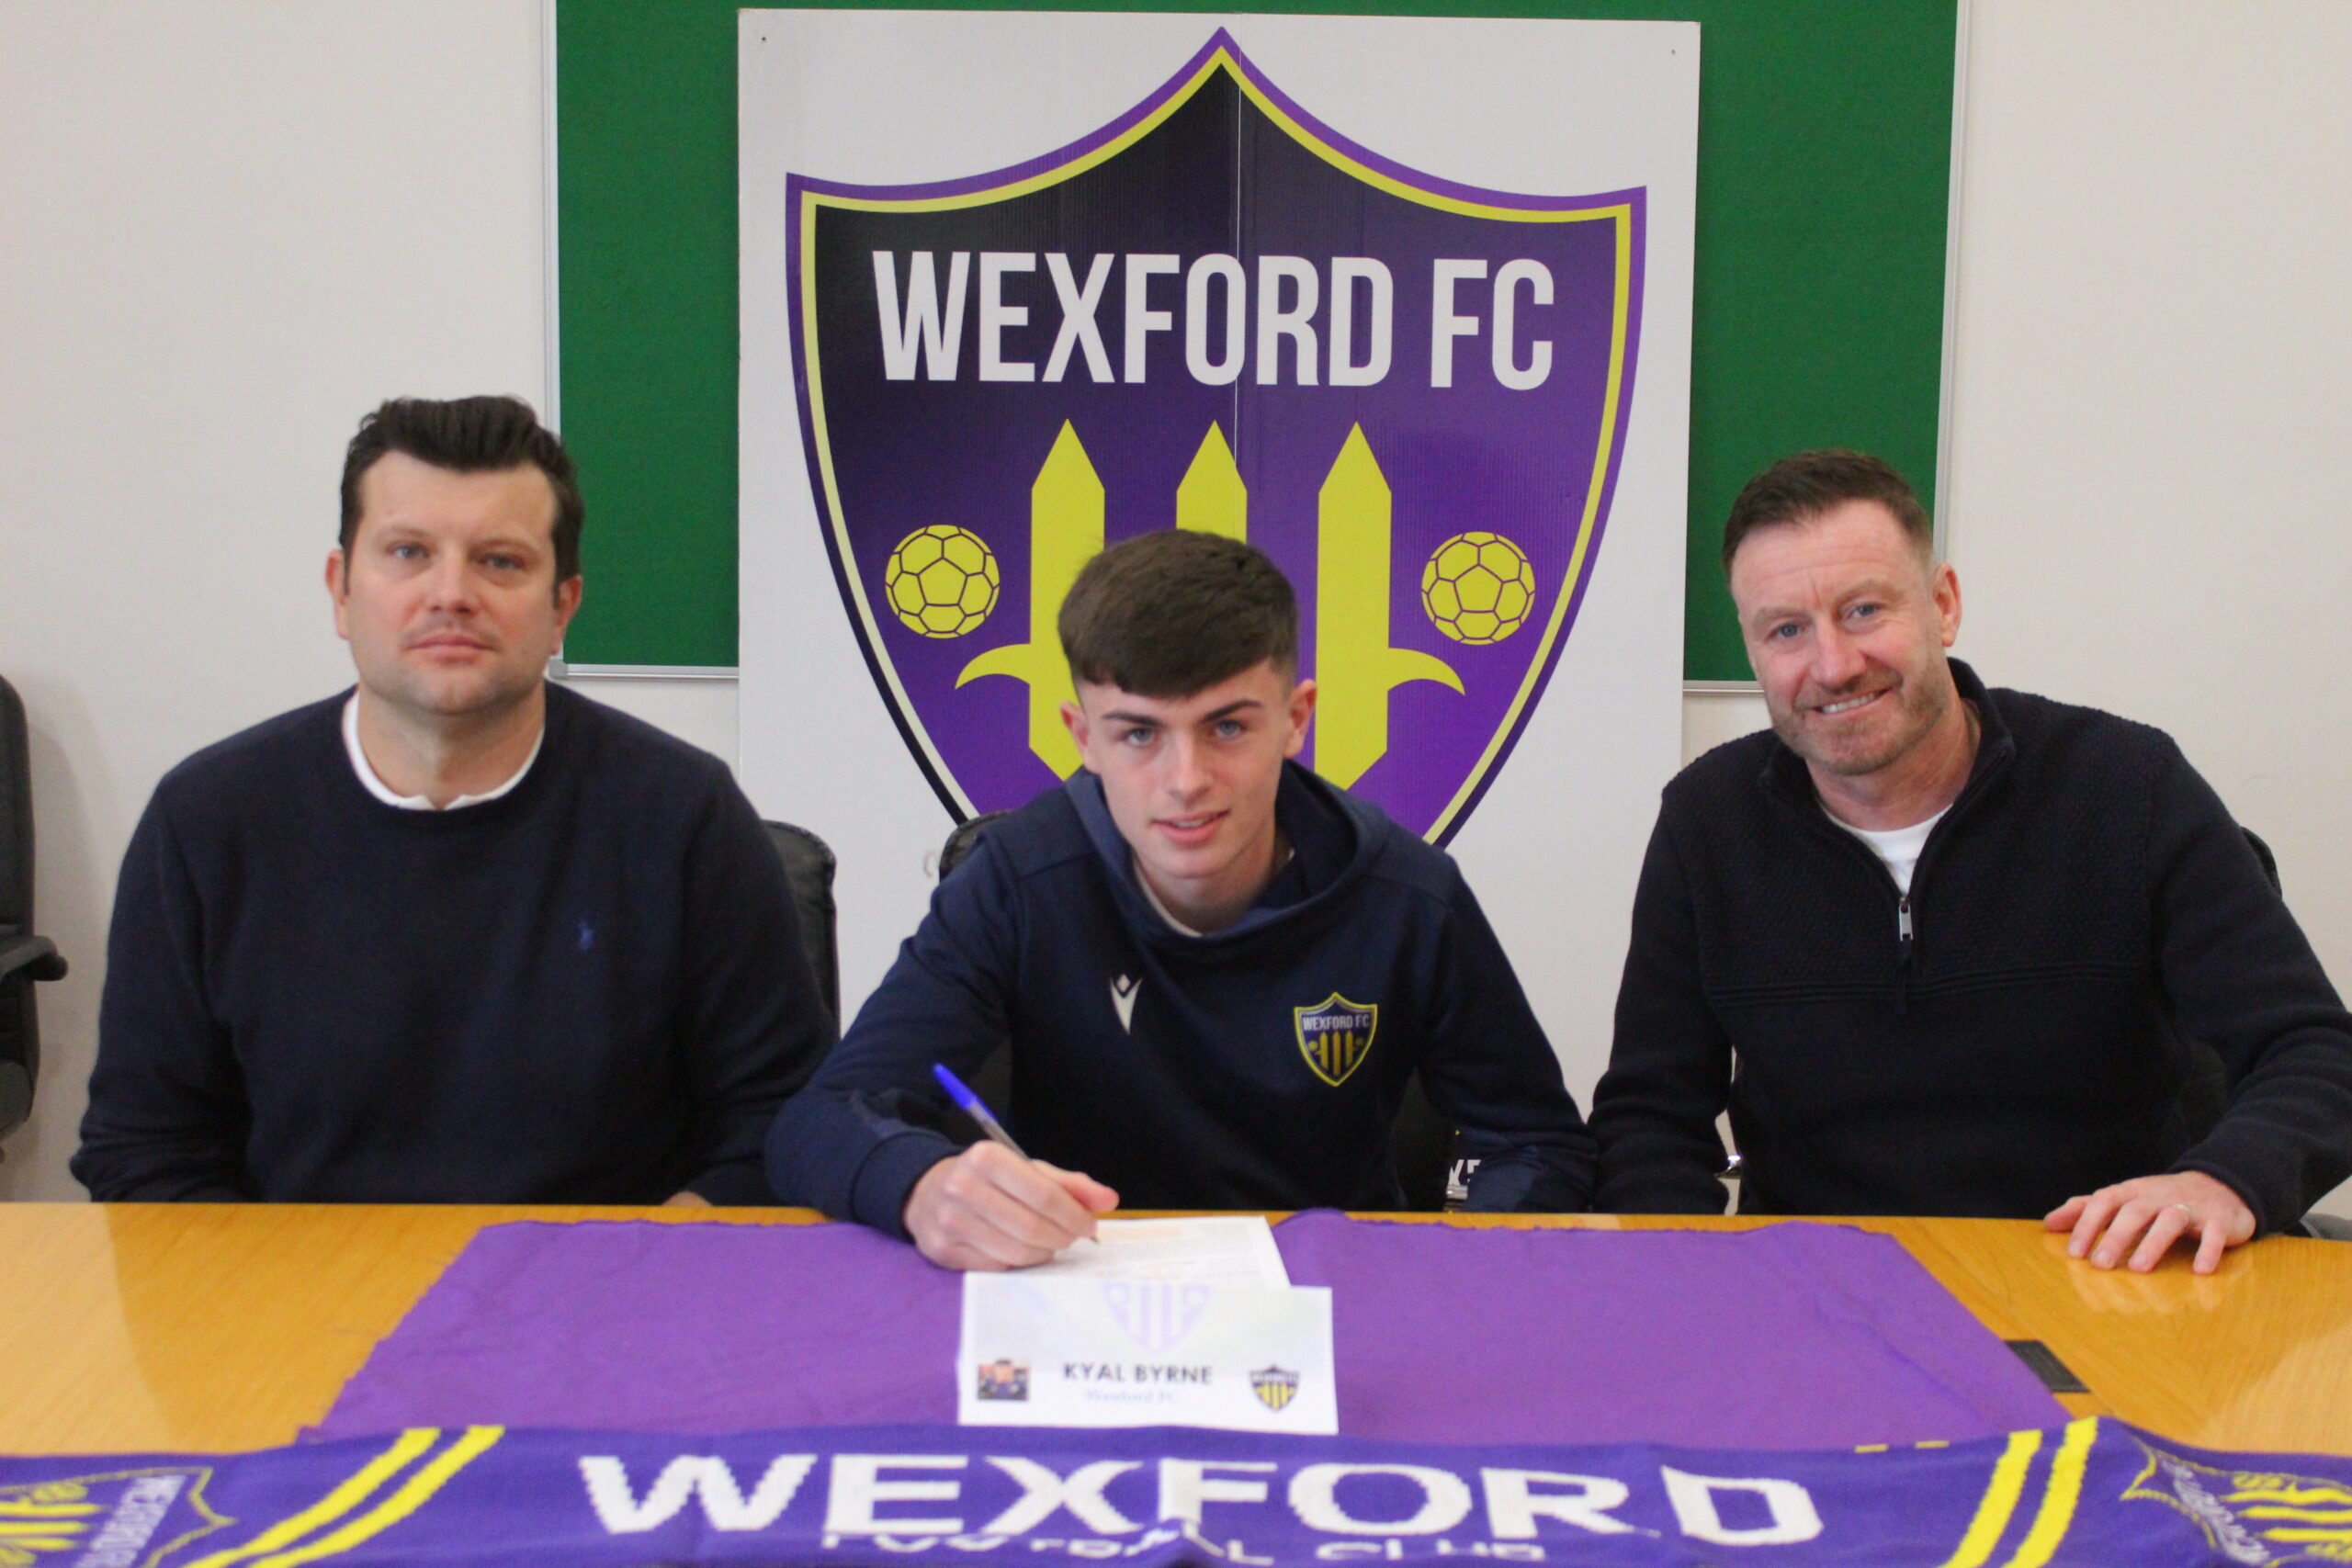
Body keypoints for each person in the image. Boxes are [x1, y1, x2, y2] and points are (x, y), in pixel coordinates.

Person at [1590, 449, 2352, 1272]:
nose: (1833, 664)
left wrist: (2226, 1178)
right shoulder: (1707, 821)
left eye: (1863, 610)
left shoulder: (2128, 787)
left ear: (1943, 605)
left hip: (2102, 1283)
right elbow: (1649, 1117)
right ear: (1752, 648)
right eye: (1786, 630)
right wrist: (1678, 1275)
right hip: (1818, 1292)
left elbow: (2317, 1052)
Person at [75, 396, 831, 1203]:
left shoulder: (684, 816)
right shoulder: (207, 821)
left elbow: (786, 1122)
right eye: (408, 552)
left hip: (601, 1272)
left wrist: (652, 1254)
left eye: (499, 561)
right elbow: (146, 1148)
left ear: (562, 608)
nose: (451, 593)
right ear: (341, 591)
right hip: (303, 1278)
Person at [767, 530, 1593, 1268]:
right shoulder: (1016, 880)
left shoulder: (1409, 894)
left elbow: (1539, 1142)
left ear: (1295, 718)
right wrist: (920, 1185)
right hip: (1073, 1286)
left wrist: (1453, 1265)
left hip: (1330, 1311)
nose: (1186, 780)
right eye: (1139, 733)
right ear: (1083, 737)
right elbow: (821, 1117)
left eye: (1227, 727)